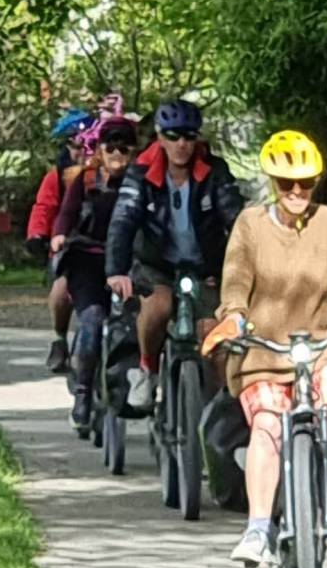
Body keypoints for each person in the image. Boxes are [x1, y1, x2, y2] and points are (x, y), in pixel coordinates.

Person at [198, 130, 327, 568]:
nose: (296, 192)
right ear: (271, 181)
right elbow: (235, 280)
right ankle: (257, 530)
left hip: (322, 345)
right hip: (264, 352)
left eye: (304, 183)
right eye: (286, 183)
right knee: (268, 427)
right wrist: (231, 316)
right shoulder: (250, 225)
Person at [104, 98, 244, 410]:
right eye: (173, 135)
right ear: (159, 136)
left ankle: (224, 410)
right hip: (157, 264)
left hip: (205, 266)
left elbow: (236, 219)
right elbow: (123, 220)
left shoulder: (215, 171)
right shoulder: (140, 172)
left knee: (215, 333)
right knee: (158, 307)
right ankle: (146, 370)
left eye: (189, 136)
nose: (181, 144)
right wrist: (116, 270)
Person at [49, 115, 140, 429]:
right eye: (109, 144)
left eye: (124, 145)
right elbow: (66, 214)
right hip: (88, 259)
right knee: (91, 321)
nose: (117, 151)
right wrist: (59, 236)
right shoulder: (85, 180)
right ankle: (84, 394)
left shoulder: (142, 182)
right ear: (99, 148)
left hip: (130, 264)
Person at [28, 108, 95, 372]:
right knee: (60, 294)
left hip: (103, 245)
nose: (80, 152)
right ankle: (59, 338)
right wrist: (38, 234)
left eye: (86, 145)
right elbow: (44, 207)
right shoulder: (57, 176)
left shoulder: (104, 174)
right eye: (74, 145)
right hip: (69, 246)